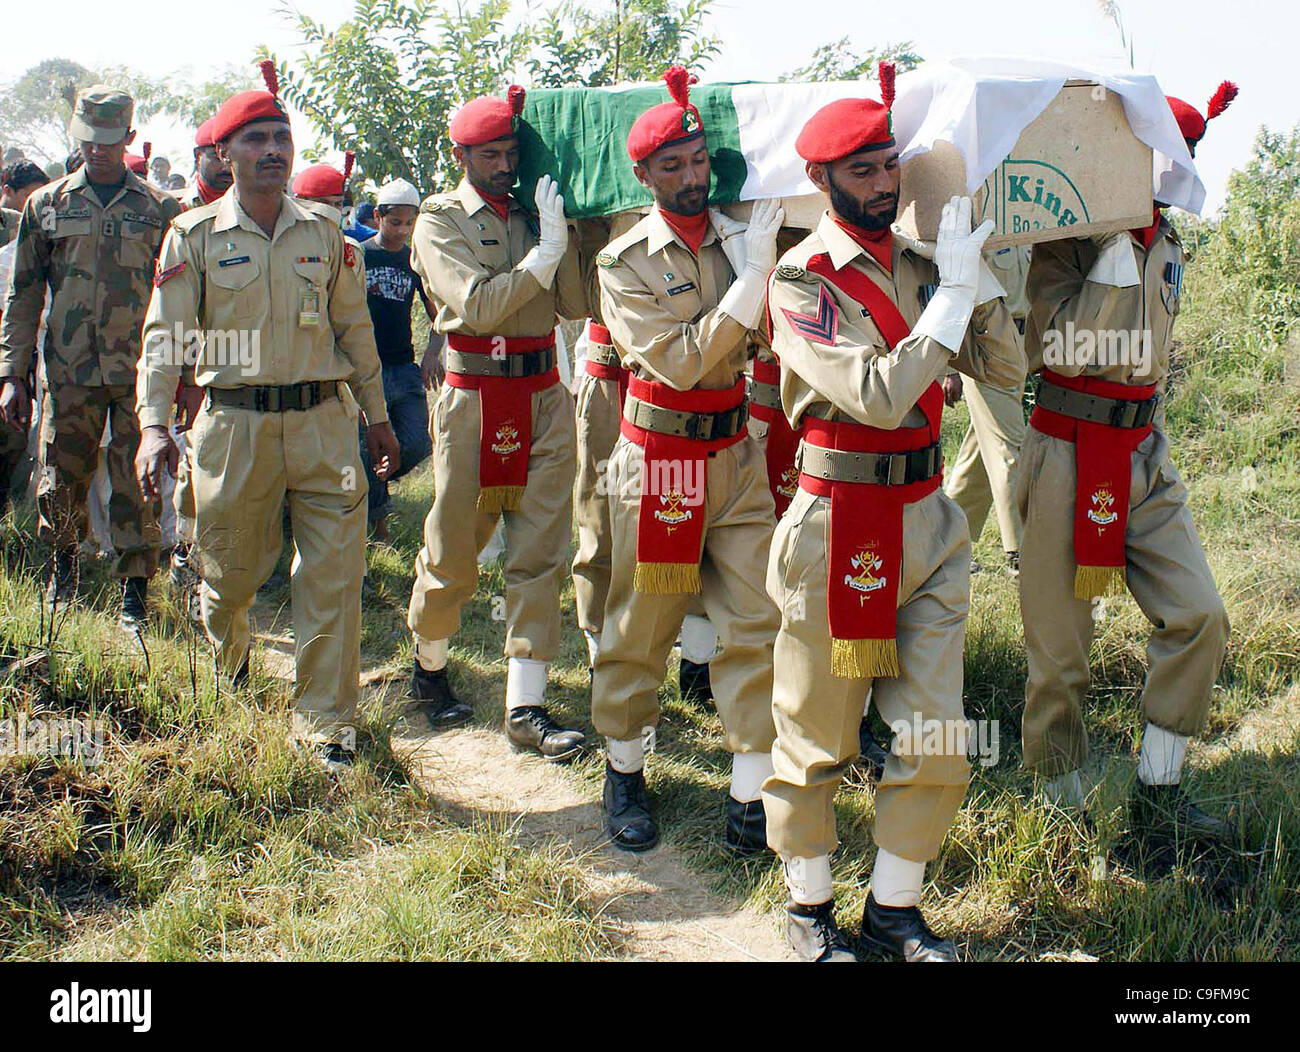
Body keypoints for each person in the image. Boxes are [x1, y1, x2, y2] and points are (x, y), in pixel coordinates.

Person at [764, 70, 1025, 962]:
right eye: (863, 171)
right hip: (836, 517)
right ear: (825, 180)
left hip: (926, 518)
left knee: (935, 731)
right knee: (818, 732)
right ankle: (807, 911)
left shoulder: (926, 264)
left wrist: (977, 282)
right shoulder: (801, 281)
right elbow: (878, 394)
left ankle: (894, 911)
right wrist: (945, 306)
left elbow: (1004, 368)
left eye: (889, 165)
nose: (883, 184)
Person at [135, 59, 400, 771]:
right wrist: (155, 423)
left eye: (282, 136)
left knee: (333, 581)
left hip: (323, 424)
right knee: (228, 575)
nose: (274, 149)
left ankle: (326, 727)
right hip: (233, 428)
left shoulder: (327, 234)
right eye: (256, 139)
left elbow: (356, 332)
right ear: (226, 155)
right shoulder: (191, 237)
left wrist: (376, 414)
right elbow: (166, 338)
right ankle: (233, 672)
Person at [1017, 84, 1237, 839]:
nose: (1167, 175)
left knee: (1199, 613)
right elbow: (1053, 347)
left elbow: (1149, 356)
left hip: (1143, 450)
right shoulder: (1062, 240)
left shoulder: (1168, 242)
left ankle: (1159, 789)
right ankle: (1059, 800)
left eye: (1180, 160)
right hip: (1064, 451)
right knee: (1060, 652)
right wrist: (1107, 254)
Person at [592, 67, 782, 854]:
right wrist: (752, 280)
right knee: (643, 622)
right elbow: (680, 362)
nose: (692, 177)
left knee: (757, 621)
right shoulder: (624, 261)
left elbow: (766, 345)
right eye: (672, 166)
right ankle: (625, 768)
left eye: (699, 159)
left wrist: (760, 262)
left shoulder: (741, 233)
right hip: (662, 456)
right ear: (643, 176)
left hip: (735, 456)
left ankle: (749, 793)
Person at [404, 85, 587, 751]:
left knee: (540, 551)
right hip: (476, 397)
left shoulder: (530, 211)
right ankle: (429, 668)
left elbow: (569, 303)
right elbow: (477, 308)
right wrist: (541, 256)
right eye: (490, 154)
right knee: (454, 547)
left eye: (511, 151)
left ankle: (525, 707)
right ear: (460, 154)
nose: (505, 163)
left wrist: (562, 239)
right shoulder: (438, 219)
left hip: (542, 393)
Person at [0, 87, 181, 629]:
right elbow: (24, 294)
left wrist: (186, 374)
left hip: (139, 375)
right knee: (61, 477)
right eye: (87, 140)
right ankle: (64, 575)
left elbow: (179, 299)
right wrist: (12, 373)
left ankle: (134, 595)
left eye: (108, 141)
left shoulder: (158, 208)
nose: (97, 150)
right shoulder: (46, 205)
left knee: (137, 482)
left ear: (127, 138)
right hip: (67, 370)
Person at [943, 242, 1030, 577]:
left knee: (981, 451)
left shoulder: (1021, 226)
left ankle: (947, 540)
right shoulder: (980, 231)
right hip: (986, 348)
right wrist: (952, 368)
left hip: (1018, 344)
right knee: (1010, 447)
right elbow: (958, 291)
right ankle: (1022, 552)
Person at [358, 177, 438, 541]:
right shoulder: (357, 255)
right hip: (364, 371)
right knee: (366, 443)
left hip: (403, 367)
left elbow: (439, 312)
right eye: (395, 222)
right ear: (377, 217)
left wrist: (433, 354)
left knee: (419, 441)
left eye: (410, 223)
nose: (402, 230)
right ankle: (378, 526)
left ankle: (378, 480)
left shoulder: (415, 260)